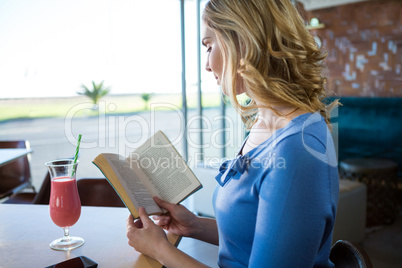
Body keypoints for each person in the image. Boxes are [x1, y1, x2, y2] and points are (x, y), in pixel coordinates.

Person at [126, 0, 340, 267]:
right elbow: (260, 234)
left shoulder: (296, 150)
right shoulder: (266, 123)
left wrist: (161, 250)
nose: (206, 64)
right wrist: (195, 226)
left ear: (243, 43)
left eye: (209, 46)